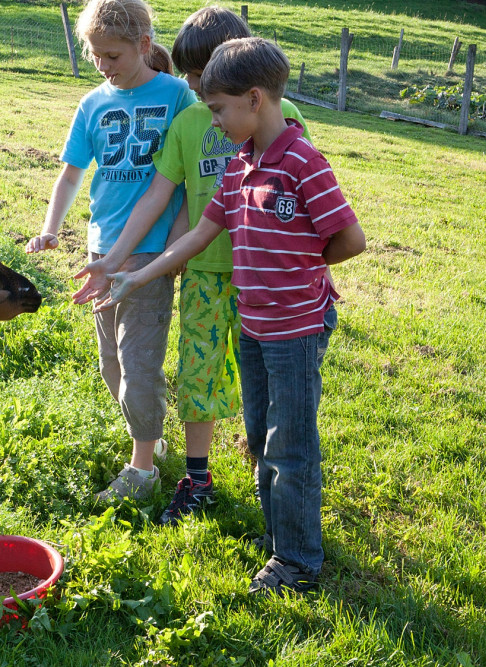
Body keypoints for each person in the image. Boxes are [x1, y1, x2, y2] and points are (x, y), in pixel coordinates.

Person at [91, 36, 366, 595]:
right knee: (264, 441)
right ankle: (278, 539)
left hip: (295, 326)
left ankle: (297, 561)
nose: (212, 121)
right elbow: (197, 233)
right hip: (256, 326)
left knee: (291, 443)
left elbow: (350, 239)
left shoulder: (303, 160)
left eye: (218, 109)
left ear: (255, 99)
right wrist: (136, 274)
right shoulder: (241, 167)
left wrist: (300, 266)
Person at [72, 6, 312, 526]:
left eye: (205, 78)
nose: (199, 88)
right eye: (192, 77)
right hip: (205, 271)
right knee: (197, 375)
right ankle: (197, 477)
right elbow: (169, 199)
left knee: (265, 376)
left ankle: (266, 459)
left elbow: (307, 194)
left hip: (266, 274)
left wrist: (319, 268)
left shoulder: (279, 112)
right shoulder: (187, 123)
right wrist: (122, 260)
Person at [25, 0, 196, 502]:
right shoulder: (92, 104)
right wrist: (51, 227)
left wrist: (176, 246)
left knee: (138, 365)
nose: (103, 65)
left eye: (113, 55)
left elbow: (189, 176)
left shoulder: (178, 97)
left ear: (144, 45)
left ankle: (142, 470)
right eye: (95, 55)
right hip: (103, 250)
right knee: (112, 365)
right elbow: (72, 172)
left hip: (149, 255)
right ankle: (154, 440)